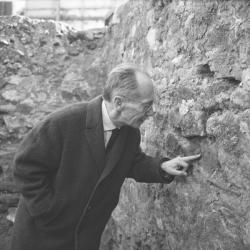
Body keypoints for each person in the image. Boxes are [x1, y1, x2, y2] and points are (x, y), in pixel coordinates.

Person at [10, 64, 201, 250]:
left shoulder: (130, 132)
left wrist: (161, 167)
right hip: (43, 235)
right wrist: (48, 211)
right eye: (146, 106)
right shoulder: (64, 122)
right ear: (118, 102)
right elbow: (25, 167)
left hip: (85, 237)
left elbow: (130, 163)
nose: (152, 112)